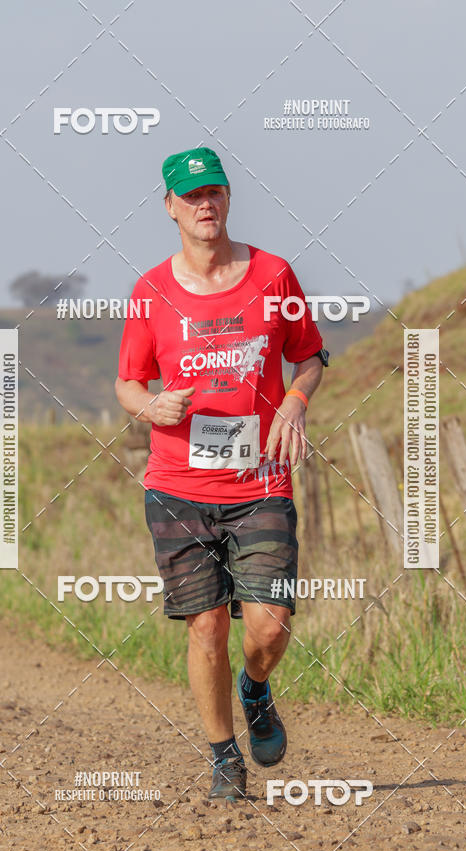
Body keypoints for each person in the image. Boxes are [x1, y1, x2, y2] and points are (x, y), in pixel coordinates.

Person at [115, 147, 327, 802]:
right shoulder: (151, 292)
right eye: (192, 195)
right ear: (171, 207)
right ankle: (221, 755)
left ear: (227, 199)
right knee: (205, 624)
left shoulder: (273, 276)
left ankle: (255, 688)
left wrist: (294, 402)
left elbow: (311, 356)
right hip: (179, 484)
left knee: (270, 624)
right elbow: (127, 382)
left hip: (260, 480)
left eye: (216, 191)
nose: (206, 204)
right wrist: (151, 405)